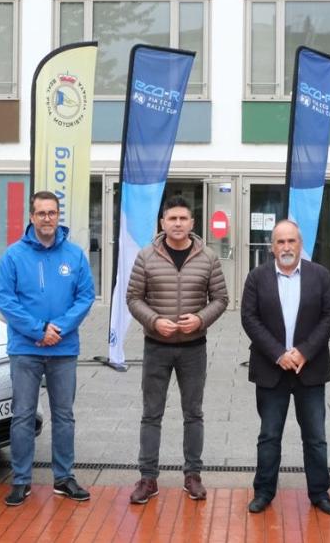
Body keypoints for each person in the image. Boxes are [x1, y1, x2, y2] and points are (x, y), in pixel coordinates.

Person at [126, 195, 229, 504]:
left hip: (193, 348)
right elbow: (133, 298)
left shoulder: (208, 257)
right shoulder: (146, 256)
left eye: (183, 219)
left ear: (192, 223)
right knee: (151, 414)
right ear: (163, 223)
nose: (178, 224)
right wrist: (154, 321)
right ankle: (148, 478)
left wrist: (199, 319)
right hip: (156, 346)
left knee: (193, 413)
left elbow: (221, 299)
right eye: (172, 219)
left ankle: (193, 475)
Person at [0, 191, 95, 506]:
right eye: (41, 213)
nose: (47, 218)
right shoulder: (13, 255)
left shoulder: (75, 255)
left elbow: (85, 296)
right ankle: (21, 480)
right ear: (31, 216)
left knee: (64, 416)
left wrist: (59, 328)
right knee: (22, 415)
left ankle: (64, 479)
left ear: (58, 215)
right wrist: (39, 329)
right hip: (25, 348)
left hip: (63, 350)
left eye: (52, 213)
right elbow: (5, 300)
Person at [239, 220, 330, 515]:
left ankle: (320, 493)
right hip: (272, 370)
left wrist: (304, 352)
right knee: (269, 435)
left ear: (300, 244)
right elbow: (249, 318)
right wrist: (279, 354)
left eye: (291, 241)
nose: (286, 247)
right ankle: (264, 491)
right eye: (280, 242)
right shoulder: (257, 278)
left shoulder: (319, 275)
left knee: (316, 437)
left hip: (310, 369)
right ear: (272, 247)